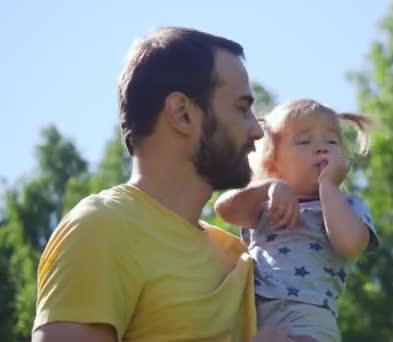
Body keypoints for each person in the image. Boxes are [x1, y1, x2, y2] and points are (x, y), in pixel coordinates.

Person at [32, 27, 295, 342]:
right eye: (241, 108)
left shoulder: (235, 252)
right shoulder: (102, 228)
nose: (256, 130)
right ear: (182, 114)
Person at [214, 99, 381, 342]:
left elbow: (351, 245)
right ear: (273, 166)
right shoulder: (266, 205)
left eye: (332, 141)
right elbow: (225, 209)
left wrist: (328, 186)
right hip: (251, 314)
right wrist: (269, 187)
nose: (321, 148)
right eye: (304, 141)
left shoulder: (347, 205)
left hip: (307, 316)